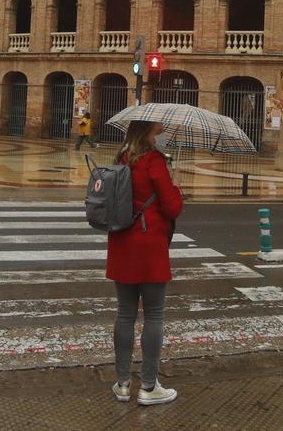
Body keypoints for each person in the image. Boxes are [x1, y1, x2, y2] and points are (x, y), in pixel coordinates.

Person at [106, 120, 183, 406]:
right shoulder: (154, 161)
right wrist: (175, 185)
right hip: (149, 245)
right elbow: (172, 207)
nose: (161, 133)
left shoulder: (120, 157)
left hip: (122, 242)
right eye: (157, 130)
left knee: (125, 314)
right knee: (154, 315)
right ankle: (149, 386)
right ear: (149, 131)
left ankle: (123, 383)